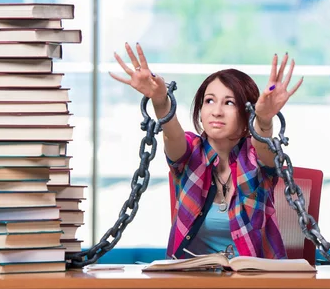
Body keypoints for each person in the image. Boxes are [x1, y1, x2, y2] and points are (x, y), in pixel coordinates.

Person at [110, 43, 303, 260]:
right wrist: (160, 100)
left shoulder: (255, 156)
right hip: (193, 283)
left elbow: (264, 147)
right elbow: (173, 135)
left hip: (252, 283)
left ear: (247, 114)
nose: (217, 111)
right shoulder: (191, 151)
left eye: (229, 103)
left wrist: (264, 120)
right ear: (200, 112)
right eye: (209, 101)